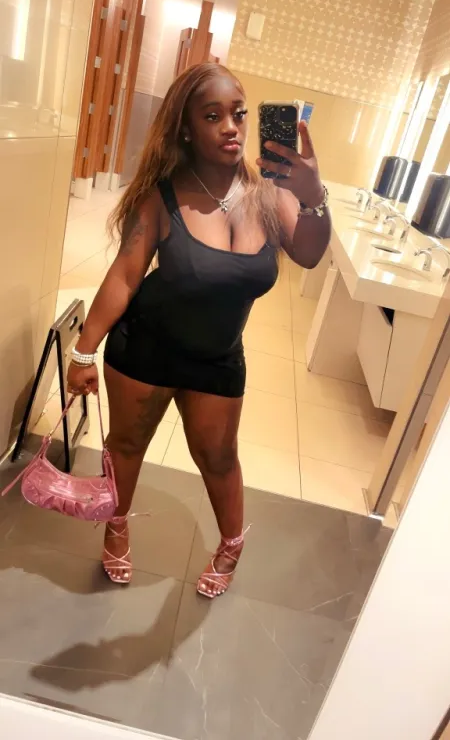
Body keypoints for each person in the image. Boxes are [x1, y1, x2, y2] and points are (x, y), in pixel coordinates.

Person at [67, 63, 330, 598]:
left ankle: (232, 543)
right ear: (186, 128)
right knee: (126, 446)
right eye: (212, 116)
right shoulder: (163, 195)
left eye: (239, 114)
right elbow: (125, 274)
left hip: (217, 358)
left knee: (219, 457)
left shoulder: (271, 195)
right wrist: (84, 350)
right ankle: (116, 528)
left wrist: (313, 195)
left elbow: (309, 252)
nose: (231, 127)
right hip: (145, 349)